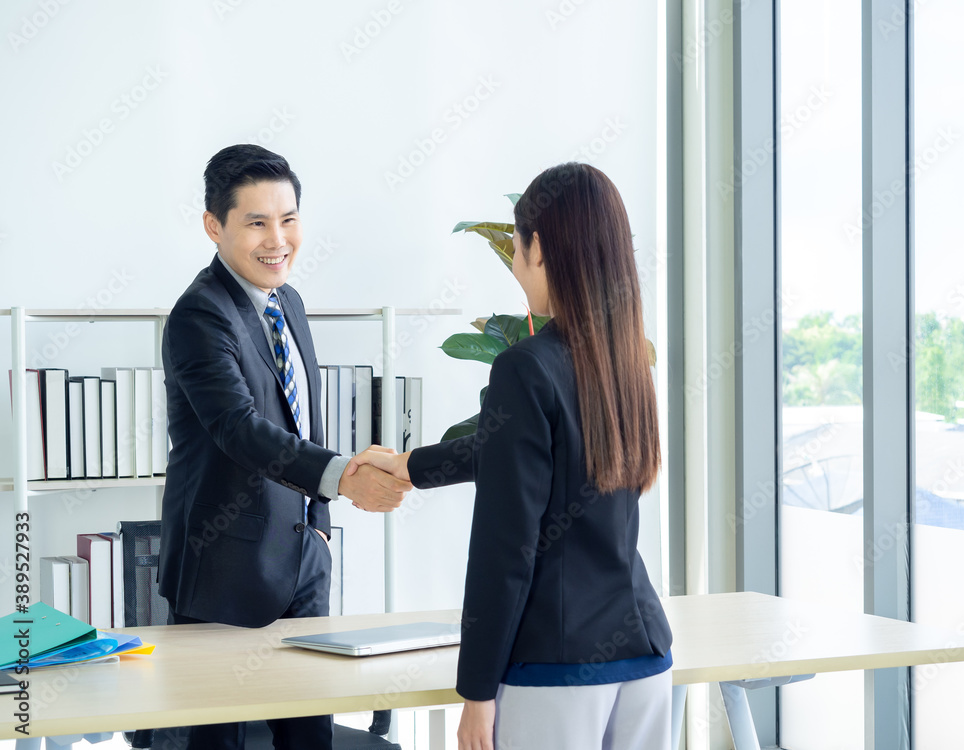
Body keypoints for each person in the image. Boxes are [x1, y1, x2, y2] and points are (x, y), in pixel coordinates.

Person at [348, 163, 673, 749]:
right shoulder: (624, 358)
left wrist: (475, 693)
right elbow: (533, 448)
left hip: (556, 665)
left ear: (538, 248)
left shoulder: (525, 367)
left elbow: (506, 548)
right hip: (645, 654)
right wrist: (415, 466)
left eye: (518, 246)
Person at [158, 144, 411, 750]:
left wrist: (319, 525)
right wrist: (344, 476)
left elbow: (304, 422)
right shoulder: (199, 315)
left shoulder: (287, 303)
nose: (279, 239)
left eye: (289, 219)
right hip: (223, 573)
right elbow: (238, 428)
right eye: (257, 222)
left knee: (309, 740)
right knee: (218, 743)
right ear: (213, 226)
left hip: (303, 565)